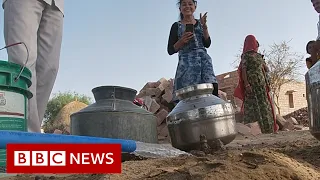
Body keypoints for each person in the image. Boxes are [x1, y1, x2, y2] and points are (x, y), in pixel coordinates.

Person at [3, 0, 64, 133]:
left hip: (56, 4)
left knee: (50, 68)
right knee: (23, 64)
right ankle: (27, 135)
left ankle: (32, 133)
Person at [167, 0, 218, 97]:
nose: (187, 6)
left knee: (210, 92)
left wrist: (204, 27)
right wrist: (181, 41)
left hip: (204, 64)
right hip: (187, 67)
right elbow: (170, 50)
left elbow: (207, 43)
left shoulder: (200, 23)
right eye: (184, 4)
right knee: (189, 97)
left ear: (195, 7)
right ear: (180, 9)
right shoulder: (176, 26)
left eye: (190, 4)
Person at [233, 35, 275, 134]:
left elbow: (266, 69)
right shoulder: (245, 56)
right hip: (251, 86)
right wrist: (247, 85)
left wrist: (267, 82)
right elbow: (243, 71)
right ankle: (253, 130)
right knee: (252, 106)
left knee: (264, 105)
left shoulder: (259, 56)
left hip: (261, 85)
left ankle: (267, 129)